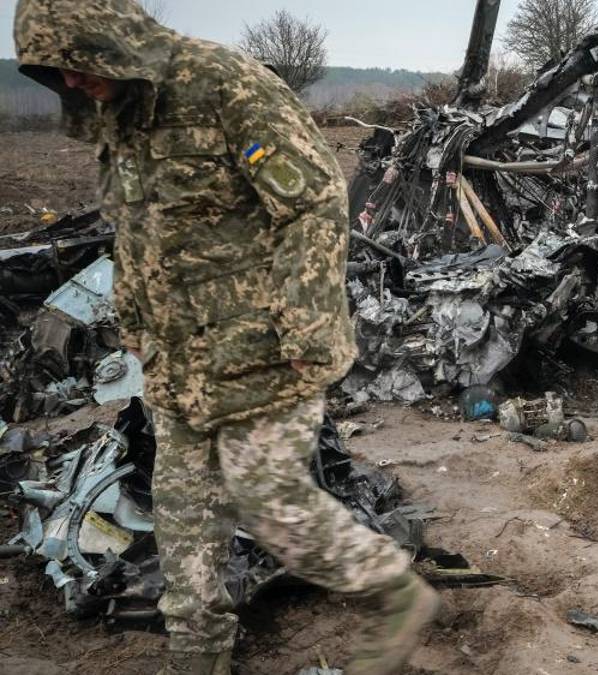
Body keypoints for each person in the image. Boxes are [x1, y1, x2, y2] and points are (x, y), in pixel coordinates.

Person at [13, 2, 439, 673]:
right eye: (53, 71)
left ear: (113, 42)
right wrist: (136, 329)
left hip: (264, 352)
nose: (69, 83)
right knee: (184, 528)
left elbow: (313, 200)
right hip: (178, 365)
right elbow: (136, 234)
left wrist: (303, 322)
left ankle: (396, 592)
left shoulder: (223, 87)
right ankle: (199, 657)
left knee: (271, 504)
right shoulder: (119, 120)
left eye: (77, 63)